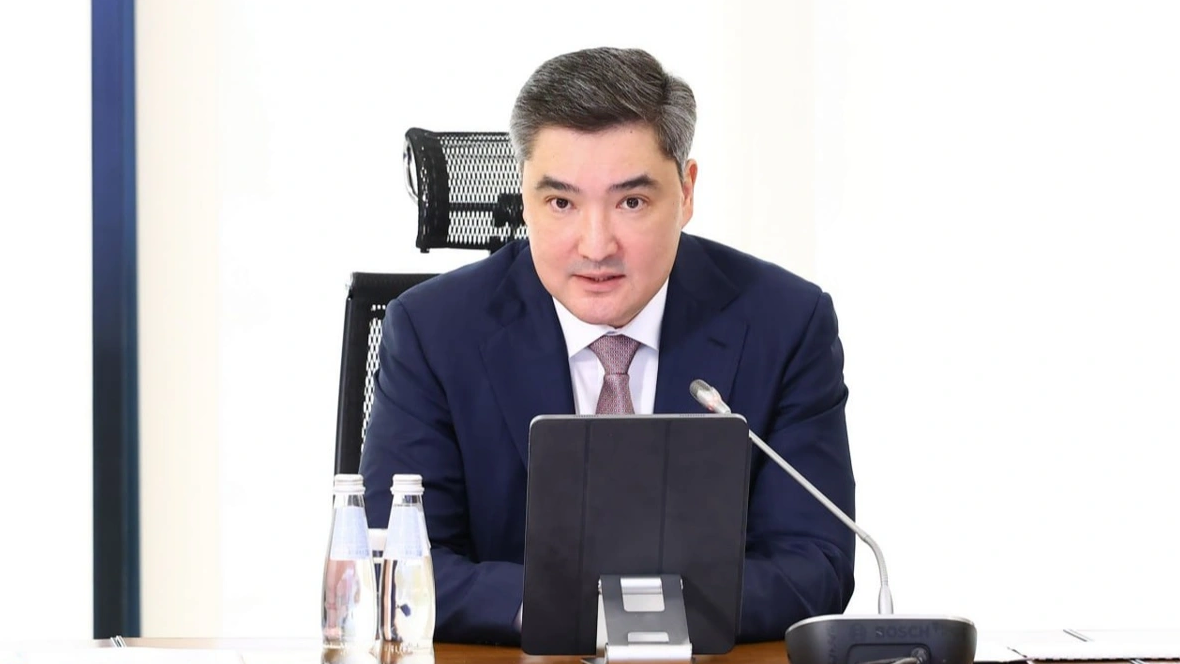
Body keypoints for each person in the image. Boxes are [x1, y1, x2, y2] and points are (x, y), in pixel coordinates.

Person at [360, 46, 855, 646]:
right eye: (561, 203)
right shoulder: (433, 332)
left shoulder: (786, 324)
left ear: (687, 192)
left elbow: (816, 563)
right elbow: (399, 567)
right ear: (525, 197)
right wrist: (580, 614)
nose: (596, 246)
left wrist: (638, 619)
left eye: (631, 202)